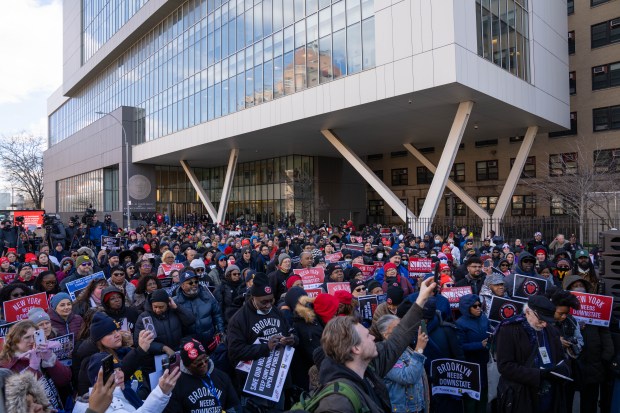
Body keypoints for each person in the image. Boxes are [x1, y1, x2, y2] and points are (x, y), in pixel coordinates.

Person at [311, 277, 435, 413]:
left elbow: (398, 338)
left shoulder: (370, 366)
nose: (373, 336)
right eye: (366, 335)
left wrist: (421, 299)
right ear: (356, 348)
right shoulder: (337, 403)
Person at [226, 272, 298, 411]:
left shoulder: (276, 312)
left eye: (271, 300)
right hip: (255, 385)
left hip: (278, 381)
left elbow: (291, 331)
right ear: (253, 298)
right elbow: (234, 352)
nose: (268, 305)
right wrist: (266, 347)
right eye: (263, 302)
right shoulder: (239, 319)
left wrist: (292, 339)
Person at [495, 295, 569, 412]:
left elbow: (559, 357)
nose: (544, 324)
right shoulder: (509, 329)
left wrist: (562, 369)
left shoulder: (551, 330)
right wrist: (538, 375)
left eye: (547, 321)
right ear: (528, 312)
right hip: (522, 396)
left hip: (549, 394)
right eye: (541, 320)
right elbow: (505, 366)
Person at [72, 352, 181, 413]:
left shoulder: (120, 392)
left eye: (120, 370)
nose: (120, 374)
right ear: (99, 379)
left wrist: (162, 392)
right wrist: (161, 392)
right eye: (113, 372)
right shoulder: (106, 405)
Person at [0, 320, 71, 410]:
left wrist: (49, 359)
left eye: (35, 336)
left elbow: (64, 380)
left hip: (55, 405)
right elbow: (18, 398)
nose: (32, 341)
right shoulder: (7, 366)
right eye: (27, 337)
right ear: (15, 341)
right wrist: (32, 367)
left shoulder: (40, 352)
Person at [163, 337, 240, 413]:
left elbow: (234, 406)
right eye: (198, 363)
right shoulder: (177, 384)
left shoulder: (222, 377)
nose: (204, 364)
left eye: (206, 359)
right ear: (187, 366)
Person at [376, 314, 429, 413]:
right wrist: (419, 350)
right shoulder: (385, 354)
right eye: (397, 328)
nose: (403, 331)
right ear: (385, 334)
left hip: (417, 408)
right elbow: (409, 377)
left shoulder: (404, 348)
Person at [455, 294, 490, 413]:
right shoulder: (460, 323)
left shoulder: (484, 318)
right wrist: (480, 345)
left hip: (485, 363)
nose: (478, 308)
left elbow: (490, 331)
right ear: (467, 308)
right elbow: (460, 346)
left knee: (484, 394)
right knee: (471, 398)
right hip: (470, 366)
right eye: (474, 306)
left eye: (479, 305)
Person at [174, 269, 224, 345]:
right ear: (182, 285)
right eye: (190, 283)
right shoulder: (176, 302)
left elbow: (217, 315)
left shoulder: (207, 296)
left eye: (196, 282)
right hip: (191, 346)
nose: (194, 284)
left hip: (210, 341)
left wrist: (220, 331)